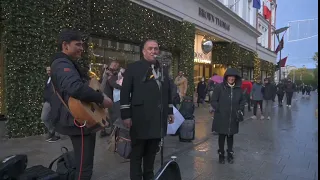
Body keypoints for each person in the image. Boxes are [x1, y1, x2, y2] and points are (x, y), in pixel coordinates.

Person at [50, 29, 113, 180]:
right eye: (77, 44)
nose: (81, 48)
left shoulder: (67, 63)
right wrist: (101, 99)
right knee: (84, 168)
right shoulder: (62, 64)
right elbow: (75, 88)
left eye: (82, 45)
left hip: (80, 119)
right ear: (65, 45)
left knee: (84, 162)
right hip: (77, 121)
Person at [120, 39, 174, 180]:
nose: (153, 51)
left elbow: (168, 91)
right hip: (140, 119)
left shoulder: (163, 69)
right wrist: (126, 115)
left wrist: (169, 111)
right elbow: (125, 93)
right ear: (143, 51)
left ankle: (149, 177)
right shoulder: (133, 68)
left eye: (156, 49)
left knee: (151, 156)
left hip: (157, 119)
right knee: (137, 155)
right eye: (150, 48)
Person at [211, 68, 245, 164]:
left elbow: (242, 101)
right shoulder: (219, 87)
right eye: (229, 76)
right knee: (222, 136)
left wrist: (240, 109)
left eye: (233, 76)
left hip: (233, 117)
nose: (231, 78)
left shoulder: (238, 89)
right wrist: (219, 109)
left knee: (230, 136)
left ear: (235, 78)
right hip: (222, 116)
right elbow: (213, 101)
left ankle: (230, 153)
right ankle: (221, 154)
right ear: (226, 77)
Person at [41, 66, 60, 142]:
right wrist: (44, 100)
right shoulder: (48, 79)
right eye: (47, 70)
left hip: (54, 102)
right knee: (44, 117)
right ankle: (52, 131)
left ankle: (55, 135)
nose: (48, 72)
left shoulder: (56, 79)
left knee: (55, 118)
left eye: (49, 70)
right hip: (48, 101)